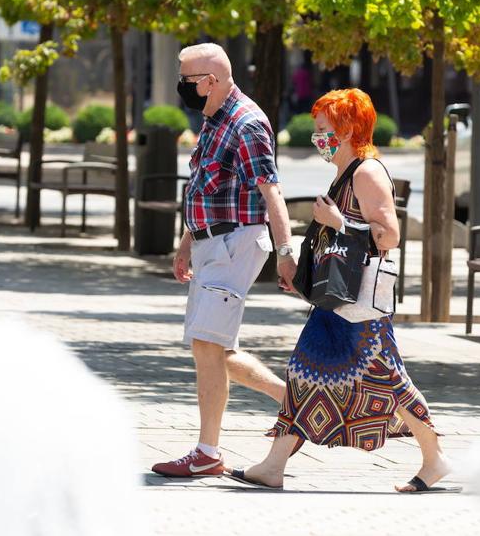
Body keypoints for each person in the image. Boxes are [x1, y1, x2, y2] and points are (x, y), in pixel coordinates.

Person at [226, 88, 454, 493]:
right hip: (339, 301)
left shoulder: (367, 172)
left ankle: (434, 459)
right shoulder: (345, 172)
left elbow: (390, 237)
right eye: (317, 130)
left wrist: (338, 222)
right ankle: (274, 465)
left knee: (388, 380)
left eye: (324, 130)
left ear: (348, 130)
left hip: (362, 304)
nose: (318, 138)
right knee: (304, 372)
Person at [152, 43, 298, 478]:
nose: (182, 87)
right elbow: (202, 187)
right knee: (215, 348)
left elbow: (272, 193)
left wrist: (287, 253)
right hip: (210, 244)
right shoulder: (214, 117)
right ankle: (296, 401)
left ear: (210, 81)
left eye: (187, 79)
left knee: (207, 345)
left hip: (235, 243)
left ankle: (208, 451)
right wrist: (186, 242)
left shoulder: (247, 123)